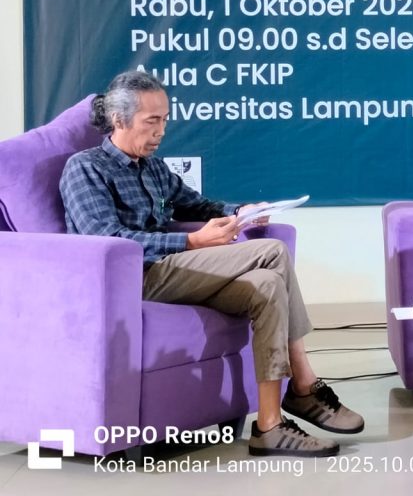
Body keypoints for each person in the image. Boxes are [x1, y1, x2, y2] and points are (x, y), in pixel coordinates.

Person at [60, 71, 362, 457]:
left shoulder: (153, 168)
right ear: (119, 119)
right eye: (152, 121)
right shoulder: (85, 168)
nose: (161, 131)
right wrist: (191, 241)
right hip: (134, 278)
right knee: (273, 252)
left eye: (165, 120)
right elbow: (106, 238)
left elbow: (197, 205)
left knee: (267, 286)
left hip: (173, 271)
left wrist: (241, 211)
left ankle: (270, 425)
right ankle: (303, 383)